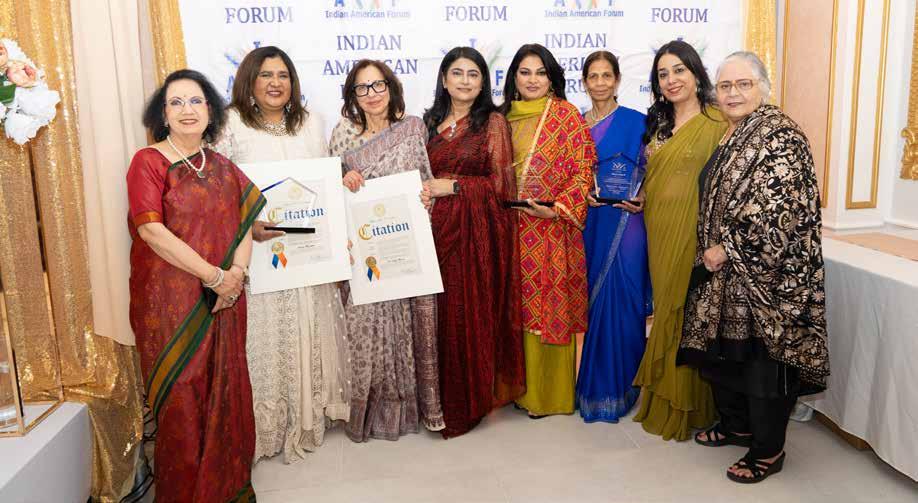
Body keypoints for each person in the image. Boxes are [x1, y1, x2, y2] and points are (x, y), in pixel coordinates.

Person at [680, 51, 829, 483]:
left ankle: (767, 451)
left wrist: (726, 248)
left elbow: (778, 210)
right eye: (725, 86)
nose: (733, 93)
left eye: (743, 84)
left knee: (764, 364)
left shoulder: (780, 134)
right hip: (724, 275)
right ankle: (737, 426)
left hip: (769, 279)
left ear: (763, 87)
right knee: (727, 357)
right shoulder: (735, 131)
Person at [128, 69, 261, 501]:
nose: (187, 110)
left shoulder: (222, 166)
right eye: (176, 102)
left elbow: (245, 223)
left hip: (225, 300)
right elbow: (151, 232)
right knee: (182, 404)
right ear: (162, 115)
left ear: (211, 111)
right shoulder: (149, 163)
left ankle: (225, 491)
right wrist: (215, 276)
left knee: (227, 393)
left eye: (196, 101)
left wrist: (236, 274)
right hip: (170, 305)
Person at [214, 46, 349, 463]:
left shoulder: (311, 123)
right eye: (266, 75)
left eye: (283, 75)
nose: (276, 83)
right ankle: (266, 427)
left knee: (310, 323)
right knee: (268, 338)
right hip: (260, 254)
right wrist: (246, 224)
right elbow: (219, 189)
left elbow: (324, 184)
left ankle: (309, 415)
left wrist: (337, 232)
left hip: (309, 253)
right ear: (249, 81)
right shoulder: (231, 125)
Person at [328, 59, 444, 441]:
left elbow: (425, 180)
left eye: (378, 85)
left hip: (407, 248)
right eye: (362, 88)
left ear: (391, 87)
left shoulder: (412, 128)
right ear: (352, 95)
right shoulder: (342, 136)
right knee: (365, 331)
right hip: (366, 252)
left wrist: (426, 197)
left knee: (408, 328)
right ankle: (369, 412)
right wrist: (344, 178)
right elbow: (333, 191)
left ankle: (409, 410)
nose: (372, 94)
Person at [422, 47, 526, 438]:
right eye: (457, 73)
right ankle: (433, 400)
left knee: (463, 314)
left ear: (483, 83)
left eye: (473, 74)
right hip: (431, 233)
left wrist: (453, 186)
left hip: (471, 236)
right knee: (434, 316)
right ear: (444, 79)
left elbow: (502, 187)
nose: (465, 81)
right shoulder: (429, 123)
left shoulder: (492, 123)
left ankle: (464, 403)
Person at [632, 40, 724, 440]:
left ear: (696, 73)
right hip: (657, 226)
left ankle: (689, 405)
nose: (671, 80)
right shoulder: (658, 123)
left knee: (684, 311)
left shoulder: (718, 121)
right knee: (664, 306)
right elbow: (653, 177)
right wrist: (640, 197)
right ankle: (663, 399)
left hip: (694, 232)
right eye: (663, 74)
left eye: (679, 70)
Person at [498, 44, 595, 418]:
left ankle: (547, 396)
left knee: (549, 309)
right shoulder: (500, 119)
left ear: (552, 78)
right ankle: (515, 389)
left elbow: (584, 169)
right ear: (514, 78)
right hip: (510, 231)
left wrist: (556, 209)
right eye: (525, 72)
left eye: (541, 72)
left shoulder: (566, 116)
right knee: (514, 309)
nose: (533, 80)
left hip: (552, 230)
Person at [575, 51, 652, 423]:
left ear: (618, 80)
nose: (600, 83)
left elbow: (655, 169)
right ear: (584, 82)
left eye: (607, 76)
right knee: (594, 301)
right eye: (593, 76)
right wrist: (581, 193)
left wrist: (644, 195)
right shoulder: (575, 126)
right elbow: (568, 173)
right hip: (590, 221)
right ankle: (594, 388)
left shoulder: (639, 122)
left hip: (628, 222)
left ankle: (623, 386)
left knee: (625, 299)